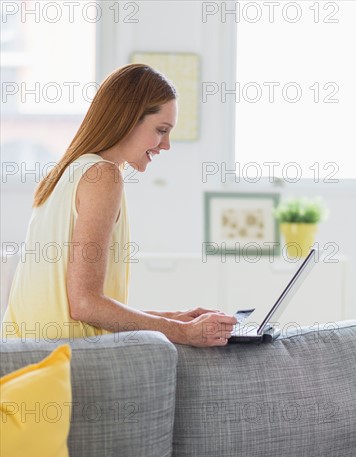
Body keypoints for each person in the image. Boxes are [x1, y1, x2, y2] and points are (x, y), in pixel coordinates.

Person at [1, 64, 236, 347]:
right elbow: (85, 305)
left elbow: (80, 311)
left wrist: (175, 319)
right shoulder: (103, 176)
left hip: (25, 356)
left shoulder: (69, 171)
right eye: (161, 130)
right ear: (127, 118)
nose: (167, 145)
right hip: (59, 363)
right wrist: (182, 333)